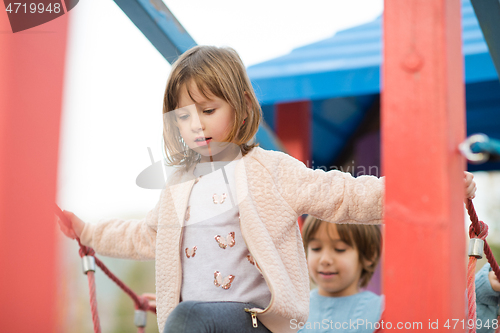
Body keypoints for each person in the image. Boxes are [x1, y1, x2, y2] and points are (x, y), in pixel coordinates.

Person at [57, 45, 477, 333]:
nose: (196, 125)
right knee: (186, 318)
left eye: (207, 111)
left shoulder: (268, 171)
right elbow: (145, 235)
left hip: (256, 320)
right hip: (200, 323)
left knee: (184, 319)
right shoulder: (180, 186)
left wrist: (431, 187)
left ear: (238, 105)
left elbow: (345, 195)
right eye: (183, 117)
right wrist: (88, 232)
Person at [297, 216, 382, 333]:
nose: (324, 260)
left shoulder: (380, 311)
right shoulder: (294, 309)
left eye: (339, 249)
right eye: (316, 248)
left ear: (369, 254)